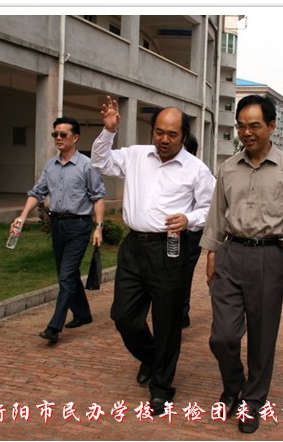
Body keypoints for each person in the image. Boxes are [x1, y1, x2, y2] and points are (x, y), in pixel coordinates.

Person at [90, 96, 215, 415]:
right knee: (123, 316)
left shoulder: (196, 170)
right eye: (159, 132)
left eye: (172, 134)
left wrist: (189, 219)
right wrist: (109, 131)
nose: (164, 139)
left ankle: (161, 387)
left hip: (170, 249)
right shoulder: (136, 155)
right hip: (134, 248)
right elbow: (101, 162)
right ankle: (150, 356)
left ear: (183, 136)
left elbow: (212, 209)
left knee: (167, 321)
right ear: (152, 130)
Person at [200, 94, 283, 434]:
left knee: (262, 338)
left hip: (268, 257)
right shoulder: (228, 167)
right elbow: (217, 214)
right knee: (222, 337)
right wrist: (211, 253)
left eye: (254, 126)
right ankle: (233, 385)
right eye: (241, 126)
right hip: (230, 254)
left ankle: (252, 400)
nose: (246, 132)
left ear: (271, 126)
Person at [11, 117, 106, 344]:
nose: (59, 138)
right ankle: (83, 313)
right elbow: (37, 193)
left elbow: (98, 197)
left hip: (79, 226)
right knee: (68, 274)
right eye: (56, 134)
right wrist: (22, 216)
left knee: (65, 276)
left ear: (75, 137)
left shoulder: (87, 165)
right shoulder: (50, 166)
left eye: (63, 134)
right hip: (57, 225)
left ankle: (54, 327)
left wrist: (99, 227)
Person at [181, 133, 203, 329]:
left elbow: (209, 208)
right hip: (169, 235)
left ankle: (181, 314)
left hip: (190, 235)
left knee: (184, 274)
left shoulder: (200, 172)